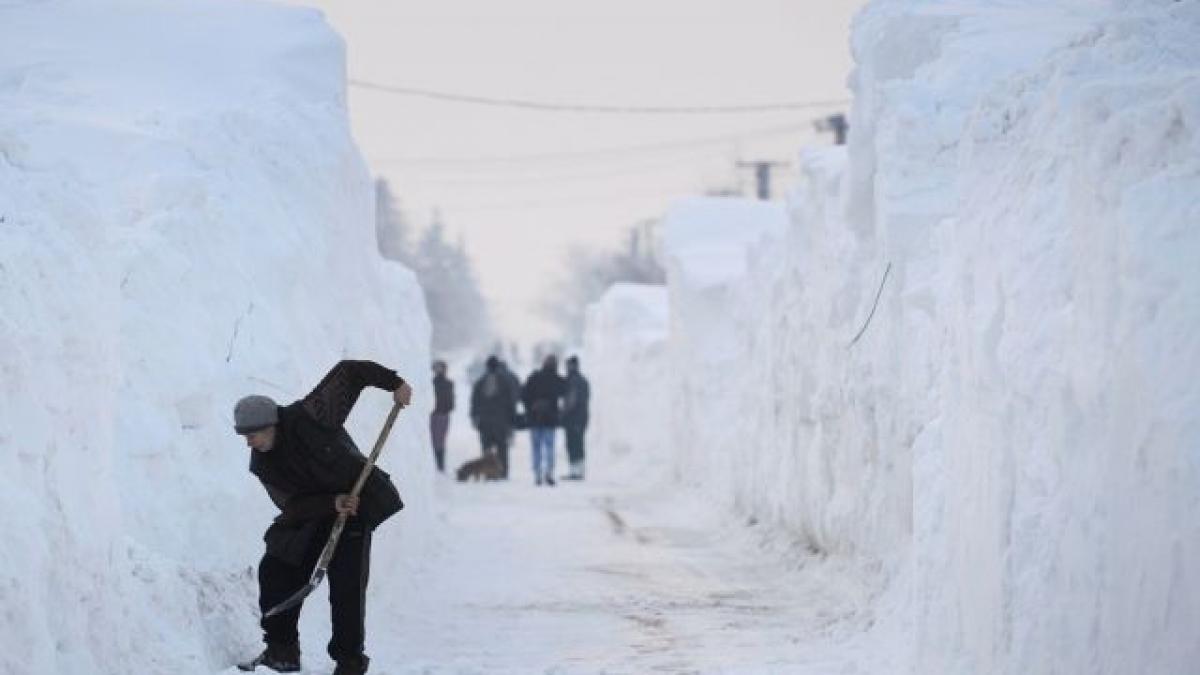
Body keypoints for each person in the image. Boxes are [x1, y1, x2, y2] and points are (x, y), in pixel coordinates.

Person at [235, 360, 413, 675]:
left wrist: (394, 383)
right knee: (276, 568)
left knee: (346, 585)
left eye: (253, 434)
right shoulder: (262, 463)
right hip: (314, 511)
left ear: (271, 424)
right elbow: (290, 506)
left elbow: (349, 372)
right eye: (245, 436)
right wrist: (331, 503)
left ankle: (349, 662)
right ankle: (282, 651)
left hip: (358, 504)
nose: (249, 442)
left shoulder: (312, 416)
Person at [521, 354, 565, 486]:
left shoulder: (534, 377)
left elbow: (523, 395)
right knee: (549, 447)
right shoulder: (557, 379)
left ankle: (537, 473)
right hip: (550, 419)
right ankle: (549, 472)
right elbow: (565, 390)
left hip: (535, 418)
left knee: (536, 447)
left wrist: (529, 409)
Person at [469, 356, 516, 478]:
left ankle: (488, 472)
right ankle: (503, 472)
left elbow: (474, 402)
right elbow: (511, 402)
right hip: (501, 421)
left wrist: (474, 417)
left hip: (485, 421)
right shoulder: (506, 382)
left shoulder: (480, 382)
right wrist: (512, 419)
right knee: (502, 448)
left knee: (486, 447)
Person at [561, 355, 590, 481]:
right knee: (579, 443)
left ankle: (575, 471)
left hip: (573, 417)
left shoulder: (572, 381)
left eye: (568, 365)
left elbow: (571, 400)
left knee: (573, 444)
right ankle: (579, 470)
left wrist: (562, 413)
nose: (566, 368)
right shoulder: (583, 380)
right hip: (582, 416)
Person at [430, 360, 454, 473]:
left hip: (441, 415)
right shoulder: (434, 382)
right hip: (438, 414)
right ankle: (439, 466)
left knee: (439, 441)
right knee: (436, 441)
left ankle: (440, 466)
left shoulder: (446, 383)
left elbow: (450, 402)